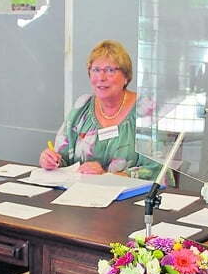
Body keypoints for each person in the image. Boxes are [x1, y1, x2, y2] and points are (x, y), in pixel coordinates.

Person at [38, 40, 161, 180]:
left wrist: (107, 177)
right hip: (81, 194)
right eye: (96, 70)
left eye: (110, 70)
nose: (101, 78)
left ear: (126, 76)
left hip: (131, 199)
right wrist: (51, 160)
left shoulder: (145, 111)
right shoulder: (82, 107)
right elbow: (63, 159)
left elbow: (159, 171)